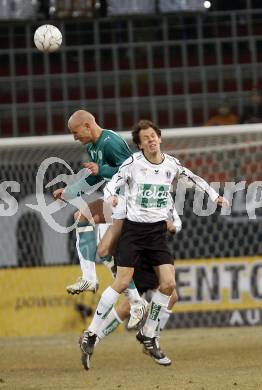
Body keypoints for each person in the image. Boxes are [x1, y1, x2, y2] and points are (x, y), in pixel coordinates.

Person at [79, 119, 229, 368]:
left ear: (159, 138)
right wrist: (111, 197)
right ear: (139, 145)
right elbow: (114, 182)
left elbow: (194, 178)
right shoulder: (132, 164)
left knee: (169, 285)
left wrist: (214, 196)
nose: (150, 140)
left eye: (153, 136)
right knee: (123, 283)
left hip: (157, 235)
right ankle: (92, 333)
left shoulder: (171, 164)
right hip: (134, 232)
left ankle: (149, 334)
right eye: (145, 138)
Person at [52, 110, 147, 328]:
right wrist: (69, 192)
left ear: (87, 125)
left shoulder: (110, 141)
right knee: (102, 248)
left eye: (76, 133)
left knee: (98, 238)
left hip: (131, 201)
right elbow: (96, 176)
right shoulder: (92, 146)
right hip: (116, 199)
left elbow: (130, 171)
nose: (75, 138)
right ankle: (129, 299)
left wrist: (101, 169)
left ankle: (131, 300)